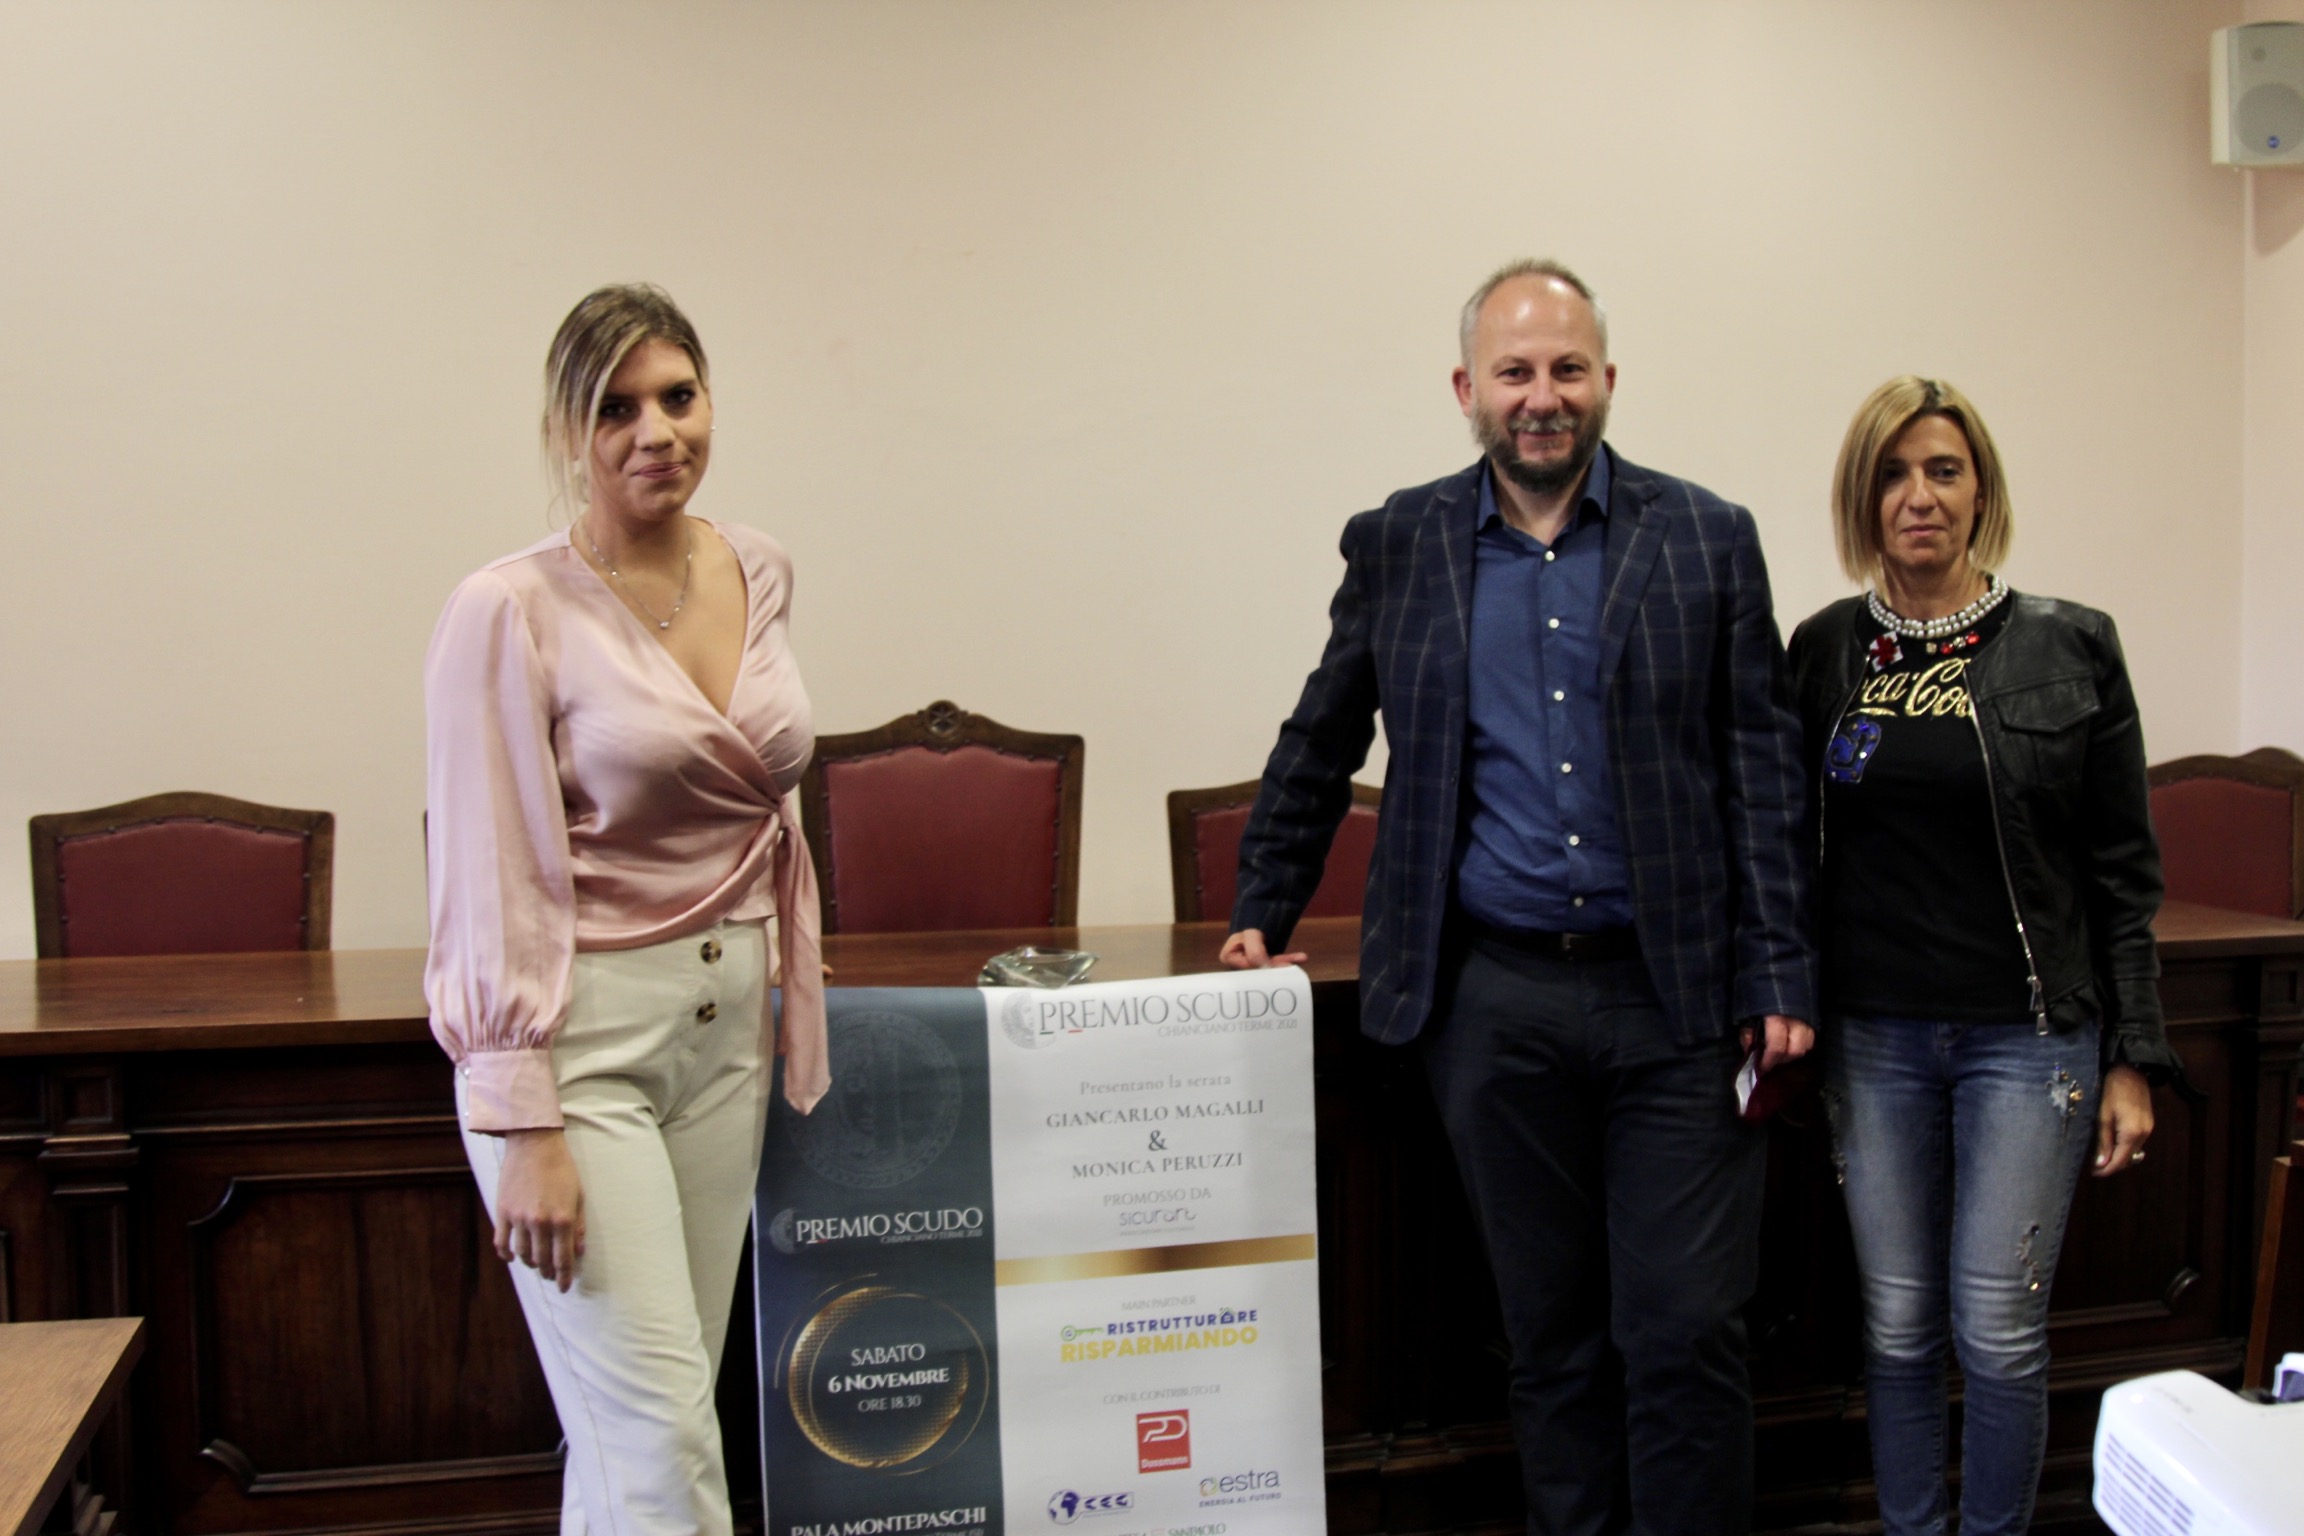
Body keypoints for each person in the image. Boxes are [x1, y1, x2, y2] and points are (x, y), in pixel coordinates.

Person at [1224, 258, 1815, 1536]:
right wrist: (1263, 904)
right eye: (1514, 372)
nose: (1541, 396)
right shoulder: (1401, 542)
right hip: (1491, 1002)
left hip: (1678, 1004)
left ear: (1607, 381)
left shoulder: (1706, 536)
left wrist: (1781, 969)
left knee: (1686, 1332)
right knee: (1551, 1339)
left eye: (1566, 369)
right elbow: (1321, 736)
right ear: (1467, 390)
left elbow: (1764, 771)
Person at [424, 283, 829, 1535]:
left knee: (645, 1429)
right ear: (567, 431)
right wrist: (520, 1117)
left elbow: (763, 795)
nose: (657, 431)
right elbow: (485, 869)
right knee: (660, 1446)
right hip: (582, 1043)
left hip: (727, 1028)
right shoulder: (508, 608)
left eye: (678, 396)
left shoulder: (758, 566)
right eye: (615, 408)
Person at [1786, 377, 2177, 1536]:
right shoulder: (1822, 652)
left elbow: (2123, 872)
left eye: (1944, 471)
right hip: (1874, 1043)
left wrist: (2133, 1053)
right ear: (1863, 498)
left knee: (1998, 1332)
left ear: (1980, 490)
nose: (1920, 496)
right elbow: (1777, 846)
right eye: (1894, 474)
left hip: (2029, 1043)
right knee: (1900, 1326)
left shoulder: (2070, 644)